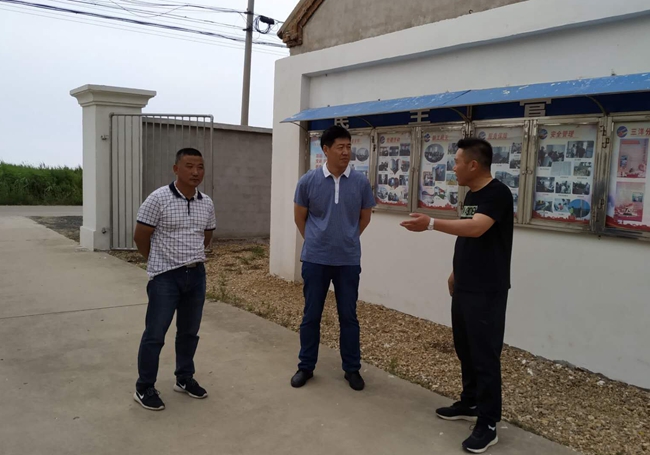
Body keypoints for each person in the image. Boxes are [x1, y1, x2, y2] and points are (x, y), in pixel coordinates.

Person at [401, 138, 513, 453]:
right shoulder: (472, 195)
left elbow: (476, 228)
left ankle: (488, 423)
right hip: (465, 285)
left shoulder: (498, 194)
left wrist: (431, 224)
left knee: (485, 355)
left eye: (458, 162)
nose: (454, 167)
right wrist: (456, 272)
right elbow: (469, 238)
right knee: (466, 349)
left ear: (473, 165)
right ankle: (471, 402)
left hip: (486, 290)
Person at [291, 125, 376, 391]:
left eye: (349, 146)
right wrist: (316, 240)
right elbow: (300, 217)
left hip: (348, 261)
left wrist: (347, 238)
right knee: (311, 315)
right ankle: (306, 366)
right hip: (315, 259)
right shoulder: (308, 181)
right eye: (340, 147)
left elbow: (365, 217)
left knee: (348, 316)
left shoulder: (360, 182)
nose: (346, 152)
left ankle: (352, 369)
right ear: (326, 150)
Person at [132, 147, 216, 411]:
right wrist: (158, 261)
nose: (195, 172)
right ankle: (144, 387)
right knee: (155, 334)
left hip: (196, 275)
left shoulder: (207, 202)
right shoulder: (158, 199)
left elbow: (206, 237)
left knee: (189, 333)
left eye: (200, 167)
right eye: (189, 166)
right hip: (165, 278)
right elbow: (140, 236)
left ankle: (184, 378)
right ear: (176, 169)